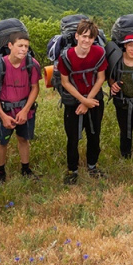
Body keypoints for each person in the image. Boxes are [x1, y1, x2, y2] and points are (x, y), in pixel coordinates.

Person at [57, 19, 108, 184]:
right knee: (72, 138)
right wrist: (83, 101)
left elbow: (101, 78)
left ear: (94, 39)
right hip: (74, 102)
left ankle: (92, 166)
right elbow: (65, 82)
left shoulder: (99, 53)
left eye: (90, 37)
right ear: (77, 36)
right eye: (84, 36)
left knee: (94, 135)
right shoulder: (66, 56)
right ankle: (72, 170)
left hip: (93, 100)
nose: (87, 40)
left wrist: (87, 101)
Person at [0, 31, 40, 183]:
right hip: (5, 110)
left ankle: (25, 169)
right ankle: (0, 171)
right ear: (10, 46)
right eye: (20, 46)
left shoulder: (32, 64)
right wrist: (3, 116)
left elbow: (35, 88)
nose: (23, 49)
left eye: (26, 46)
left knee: (23, 139)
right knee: (2, 141)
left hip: (25, 110)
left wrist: (25, 111)